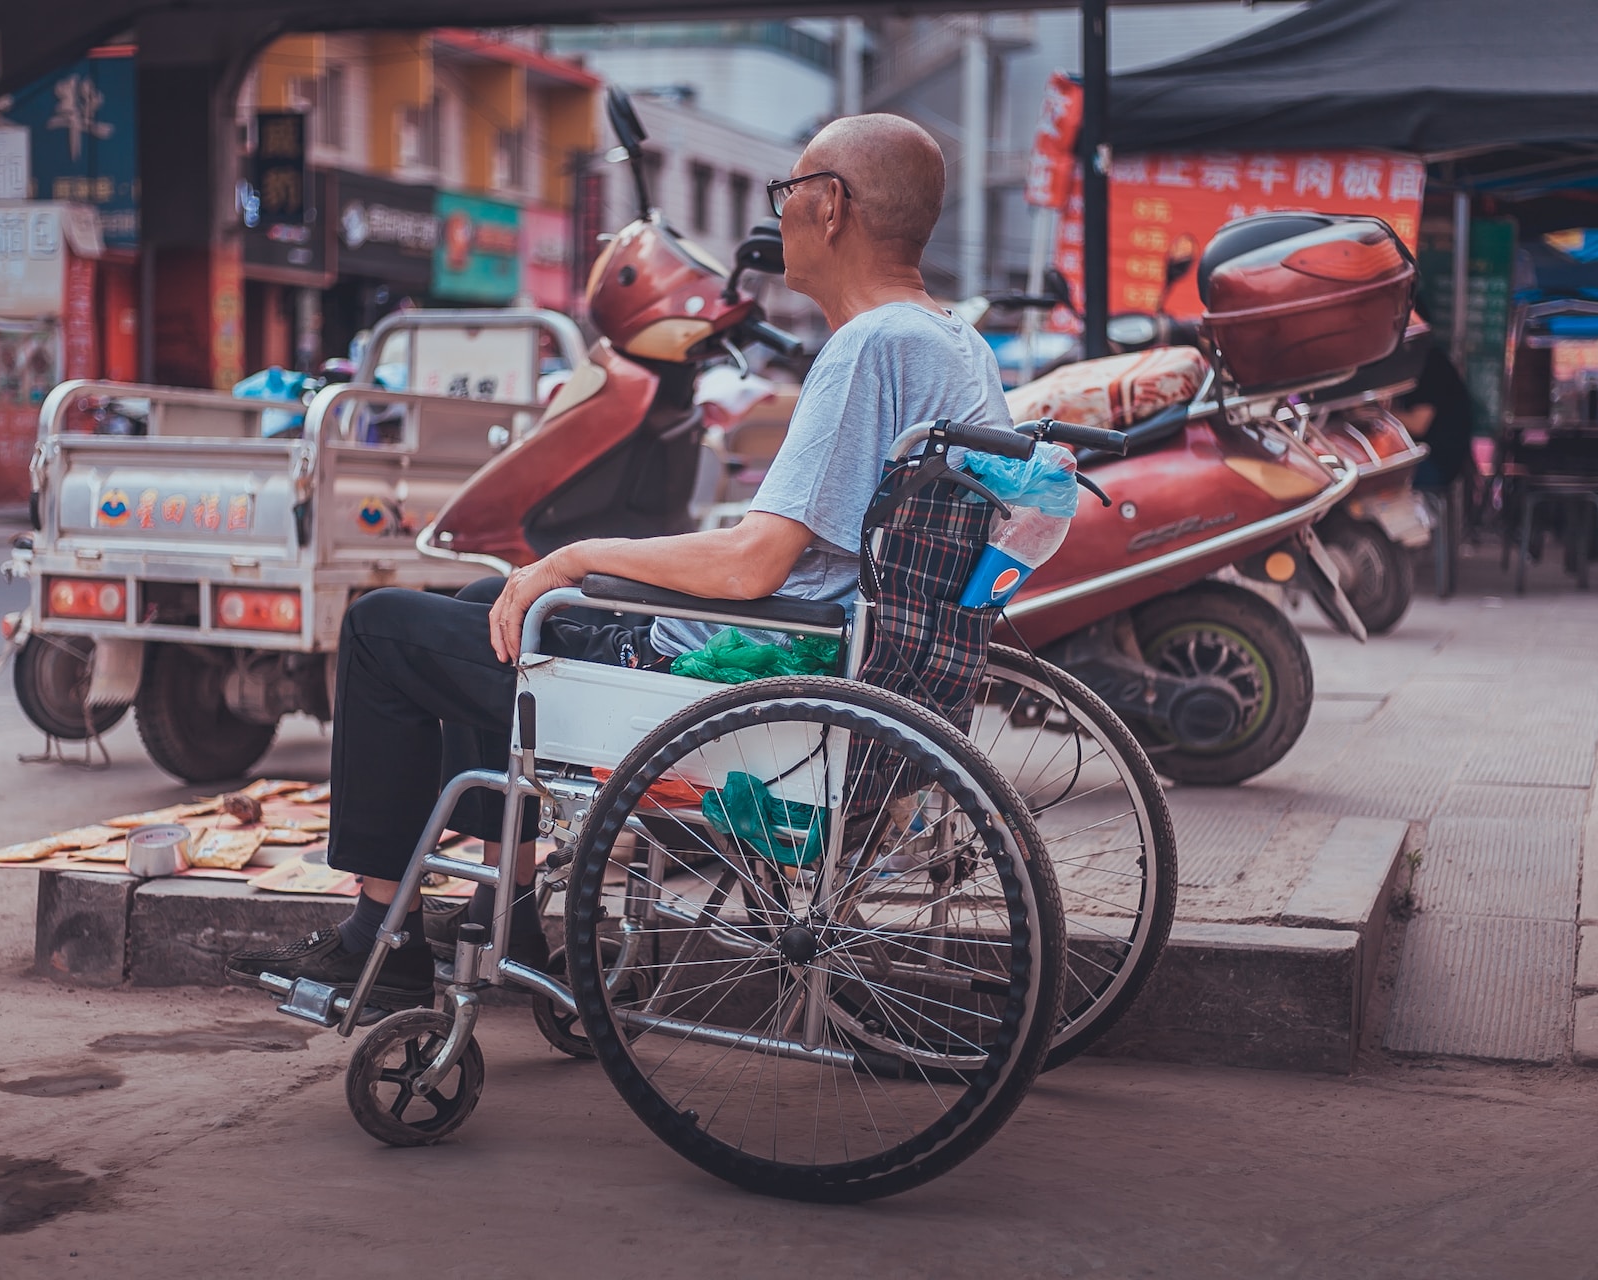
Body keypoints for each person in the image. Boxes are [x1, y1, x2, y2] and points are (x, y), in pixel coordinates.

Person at [225, 113, 1013, 1008]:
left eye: (789, 191)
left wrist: (575, 556)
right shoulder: (956, 344)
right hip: (848, 658)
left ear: (830, 206)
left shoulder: (868, 347)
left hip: (732, 672)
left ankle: (379, 935)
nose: (784, 209)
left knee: (379, 631)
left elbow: (754, 564)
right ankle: (506, 912)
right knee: (493, 601)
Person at [1395, 343, 1475, 493]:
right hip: (1425, 460)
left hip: (1433, 463)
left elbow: (1417, 424)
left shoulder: (1429, 364)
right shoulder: (1413, 361)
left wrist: (1370, 411)